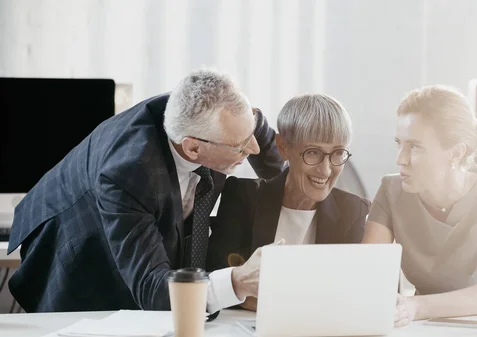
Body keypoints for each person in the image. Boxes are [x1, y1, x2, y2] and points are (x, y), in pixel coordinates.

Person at [7, 69, 286, 313]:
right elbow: (152, 290)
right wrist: (237, 282)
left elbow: (274, 159)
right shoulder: (128, 173)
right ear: (193, 148)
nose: (253, 150)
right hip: (77, 252)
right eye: (239, 146)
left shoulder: (228, 119)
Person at [362, 85, 477, 326]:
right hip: (419, 327)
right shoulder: (390, 190)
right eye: (399, 144)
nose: (400, 159)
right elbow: (367, 276)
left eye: (414, 147)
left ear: (455, 153)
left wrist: (417, 306)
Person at [207, 93, 370, 311]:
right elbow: (219, 283)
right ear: (283, 147)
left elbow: (360, 293)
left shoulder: (353, 210)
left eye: (338, 153)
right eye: (313, 153)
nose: (326, 169)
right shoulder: (243, 197)